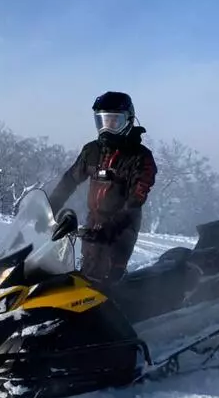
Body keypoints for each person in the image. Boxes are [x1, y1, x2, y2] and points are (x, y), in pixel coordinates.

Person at [48, 91, 157, 289]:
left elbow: (135, 201)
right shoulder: (92, 151)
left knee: (108, 278)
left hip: (123, 225)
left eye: (114, 122)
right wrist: (50, 207)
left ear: (128, 121)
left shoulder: (141, 158)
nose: (107, 128)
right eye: (102, 121)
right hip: (94, 220)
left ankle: (116, 314)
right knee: (86, 273)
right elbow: (70, 180)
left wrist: (111, 229)